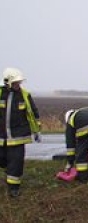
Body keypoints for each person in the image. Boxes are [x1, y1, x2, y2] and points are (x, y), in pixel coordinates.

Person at [0, 68, 42, 197]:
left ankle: (13, 189)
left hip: (18, 136)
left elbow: (33, 114)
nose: (18, 85)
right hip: (1, 137)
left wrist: (36, 131)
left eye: (19, 82)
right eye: (15, 83)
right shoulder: (0, 93)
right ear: (7, 82)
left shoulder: (24, 95)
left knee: (16, 162)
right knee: (2, 160)